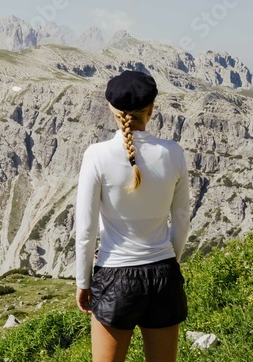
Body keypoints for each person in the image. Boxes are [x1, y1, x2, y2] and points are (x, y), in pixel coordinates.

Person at [74, 70, 190, 362]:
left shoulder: (96, 155)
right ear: (152, 110)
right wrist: (167, 264)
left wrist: (83, 282)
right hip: (164, 273)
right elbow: (182, 223)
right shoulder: (173, 153)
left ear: (111, 111)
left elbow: (86, 231)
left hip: (115, 276)